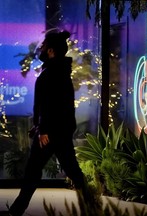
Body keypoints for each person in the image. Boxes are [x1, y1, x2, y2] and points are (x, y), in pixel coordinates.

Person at [7, 30, 87, 216]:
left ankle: (17, 210)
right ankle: (91, 203)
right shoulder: (59, 71)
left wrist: (43, 129)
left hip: (50, 133)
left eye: (43, 46)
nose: (40, 48)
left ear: (51, 51)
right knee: (71, 170)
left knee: (33, 171)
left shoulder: (52, 73)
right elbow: (57, 105)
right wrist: (39, 126)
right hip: (58, 131)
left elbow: (50, 104)